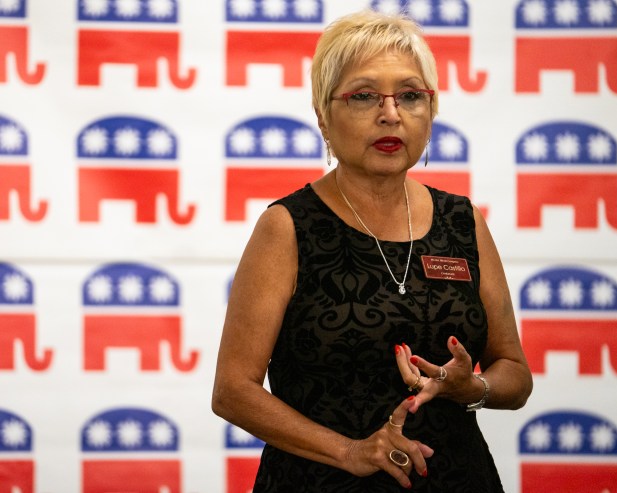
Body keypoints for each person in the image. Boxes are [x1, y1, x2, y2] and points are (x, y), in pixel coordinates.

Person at [212, 9, 533, 492]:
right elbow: (232, 392)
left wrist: (473, 387)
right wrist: (350, 451)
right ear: (323, 115)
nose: (391, 113)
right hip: (320, 481)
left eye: (410, 95)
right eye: (364, 96)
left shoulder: (463, 222)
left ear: (432, 109)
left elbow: (515, 373)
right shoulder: (287, 227)